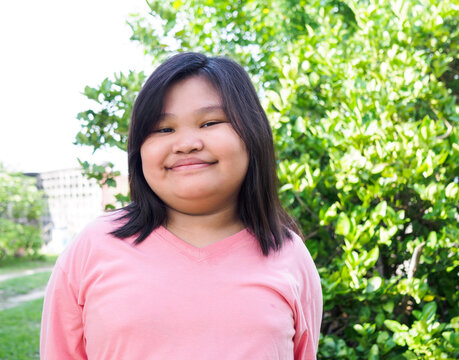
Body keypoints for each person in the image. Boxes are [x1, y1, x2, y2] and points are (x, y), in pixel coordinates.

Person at [40, 52, 322, 359]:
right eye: (164, 129)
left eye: (210, 122)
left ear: (252, 136)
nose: (186, 143)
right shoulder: (93, 247)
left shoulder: (288, 254)